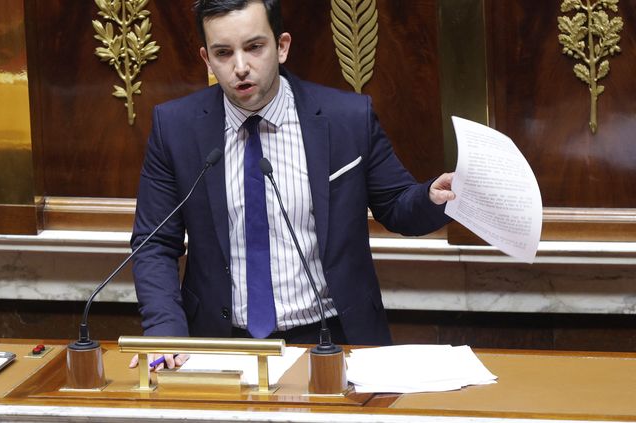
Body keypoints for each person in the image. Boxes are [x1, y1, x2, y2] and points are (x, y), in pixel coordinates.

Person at [129, 0, 455, 370]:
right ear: (207, 59)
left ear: (281, 46)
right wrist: (165, 329)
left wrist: (431, 197)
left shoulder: (346, 118)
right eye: (223, 53)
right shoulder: (176, 128)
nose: (240, 67)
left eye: (254, 47)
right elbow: (154, 242)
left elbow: (397, 206)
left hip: (332, 338)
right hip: (220, 343)